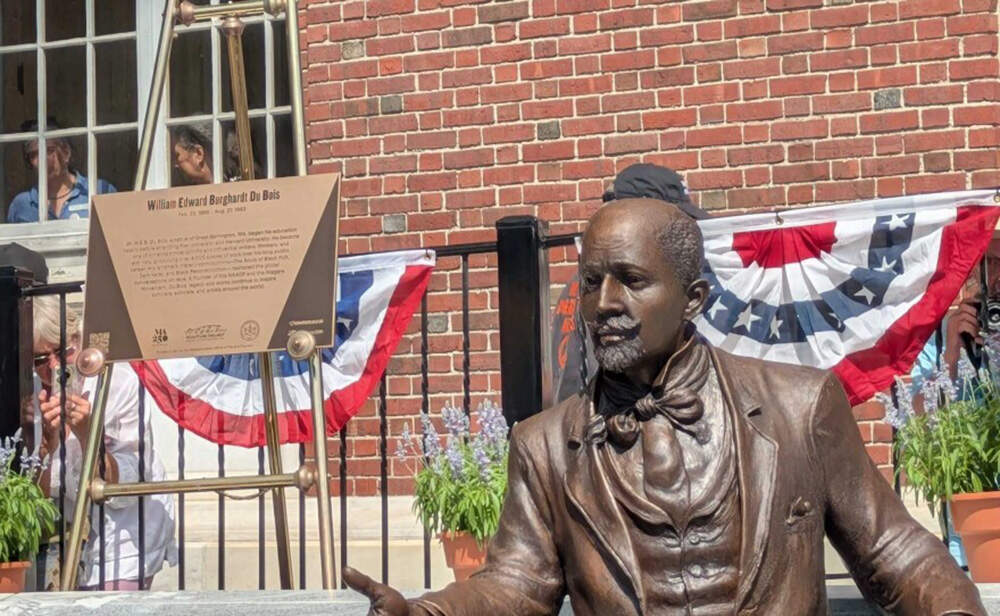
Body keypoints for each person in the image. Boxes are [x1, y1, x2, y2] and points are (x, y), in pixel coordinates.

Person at [344, 198, 985, 615]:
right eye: (592, 281)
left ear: (694, 298)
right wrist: (427, 612)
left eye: (632, 279)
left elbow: (896, 554)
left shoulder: (800, 409)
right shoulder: (543, 447)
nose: (603, 304)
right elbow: (514, 585)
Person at [31, 295, 177, 590]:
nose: (54, 367)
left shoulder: (117, 382)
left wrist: (87, 432)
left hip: (129, 526)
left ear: (78, 340)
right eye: (39, 360)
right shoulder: (33, 394)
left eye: (63, 352)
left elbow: (126, 489)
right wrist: (48, 441)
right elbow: (37, 500)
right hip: (74, 536)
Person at [6, 119, 116, 223]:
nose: (42, 159)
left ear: (66, 153)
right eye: (34, 154)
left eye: (49, 151)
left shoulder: (99, 191)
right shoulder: (22, 204)